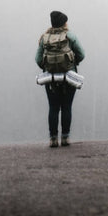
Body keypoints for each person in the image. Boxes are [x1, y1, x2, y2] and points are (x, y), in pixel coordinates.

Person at [35, 10, 86, 148]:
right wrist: (73, 64)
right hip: (69, 77)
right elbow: (81, 54)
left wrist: (47, 67)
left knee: (53, 107)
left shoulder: (44, 38)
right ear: (64, 23)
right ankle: (65, 138)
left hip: (50, 78)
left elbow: (38, 59)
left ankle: (53, 139)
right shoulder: (70, 36)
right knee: (66, 107)